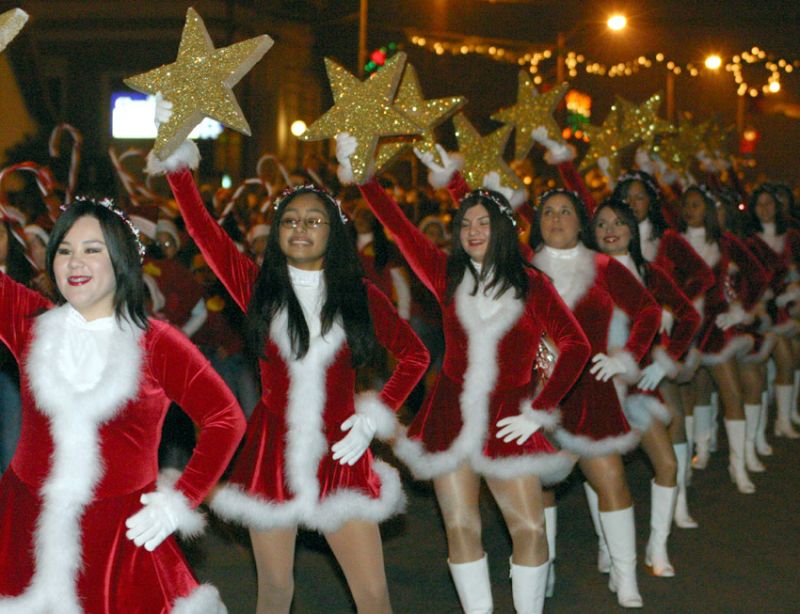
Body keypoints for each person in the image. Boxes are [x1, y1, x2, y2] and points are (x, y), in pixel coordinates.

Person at [152, 131, 429, 614]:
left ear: (333, 233)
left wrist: (373, 418)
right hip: (270, 454)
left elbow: (415, 356)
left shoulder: (359, 295)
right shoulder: (258, 290)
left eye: (314, 220)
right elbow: (201, 229)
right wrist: (177, 163)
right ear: (278, 232)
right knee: (275, 592)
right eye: (290, 220)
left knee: (373, 596)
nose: (300, 228)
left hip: (342, 453)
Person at [338, 133, 591, 614]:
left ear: (503, 230)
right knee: (460, 527)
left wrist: (539, 411)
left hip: (510, 418)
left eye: (485, 222)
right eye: (466, 223)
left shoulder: (532, 283)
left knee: (531, 529)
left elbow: (577, 344)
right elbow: (397, 225)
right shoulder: (444, 273)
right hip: (449, 417)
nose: (474, 230)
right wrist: (362, 175)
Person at [0, 198, 246, 612]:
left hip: (118, 538)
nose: (75, 262)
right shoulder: (30, 321)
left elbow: (226, 418)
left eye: (92, 250)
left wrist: (181, 500)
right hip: (25, 525)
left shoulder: (157, 342)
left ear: (121, 260)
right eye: (65, 250)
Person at [529, 188, 661, 608]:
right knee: (539, 487)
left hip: (590, 389)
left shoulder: (602, 266)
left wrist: (627, 358)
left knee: (611, 479)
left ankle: (625, 574)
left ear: (580, 221)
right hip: (535, 393)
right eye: (547, 212)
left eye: (565, 211)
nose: (555, 218)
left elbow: (649, 312)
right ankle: (543, 571)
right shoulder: (523, 268)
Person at [591, 198, 701, 577]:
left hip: (637, 385)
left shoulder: (649, 273)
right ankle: (607, 544)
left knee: (667, 464)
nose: (610, 229)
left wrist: (664, 359)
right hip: (597, 385)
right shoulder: (584, 273)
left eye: (619, 222)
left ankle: (657, 545)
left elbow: (690, 314)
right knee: (602, 469)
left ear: (632, 230)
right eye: (602, 223)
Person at [677, 185, 769, 493]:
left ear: (710, 210)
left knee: (731, 393)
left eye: (697, 205)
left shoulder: (725, 242)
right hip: (686, 329)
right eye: (686, 205)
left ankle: (738, 464)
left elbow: (758, 274)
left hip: (716, 328)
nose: (691, 210)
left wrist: (741, 308)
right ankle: (697, 454)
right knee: (692, 393)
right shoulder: (673, 244)